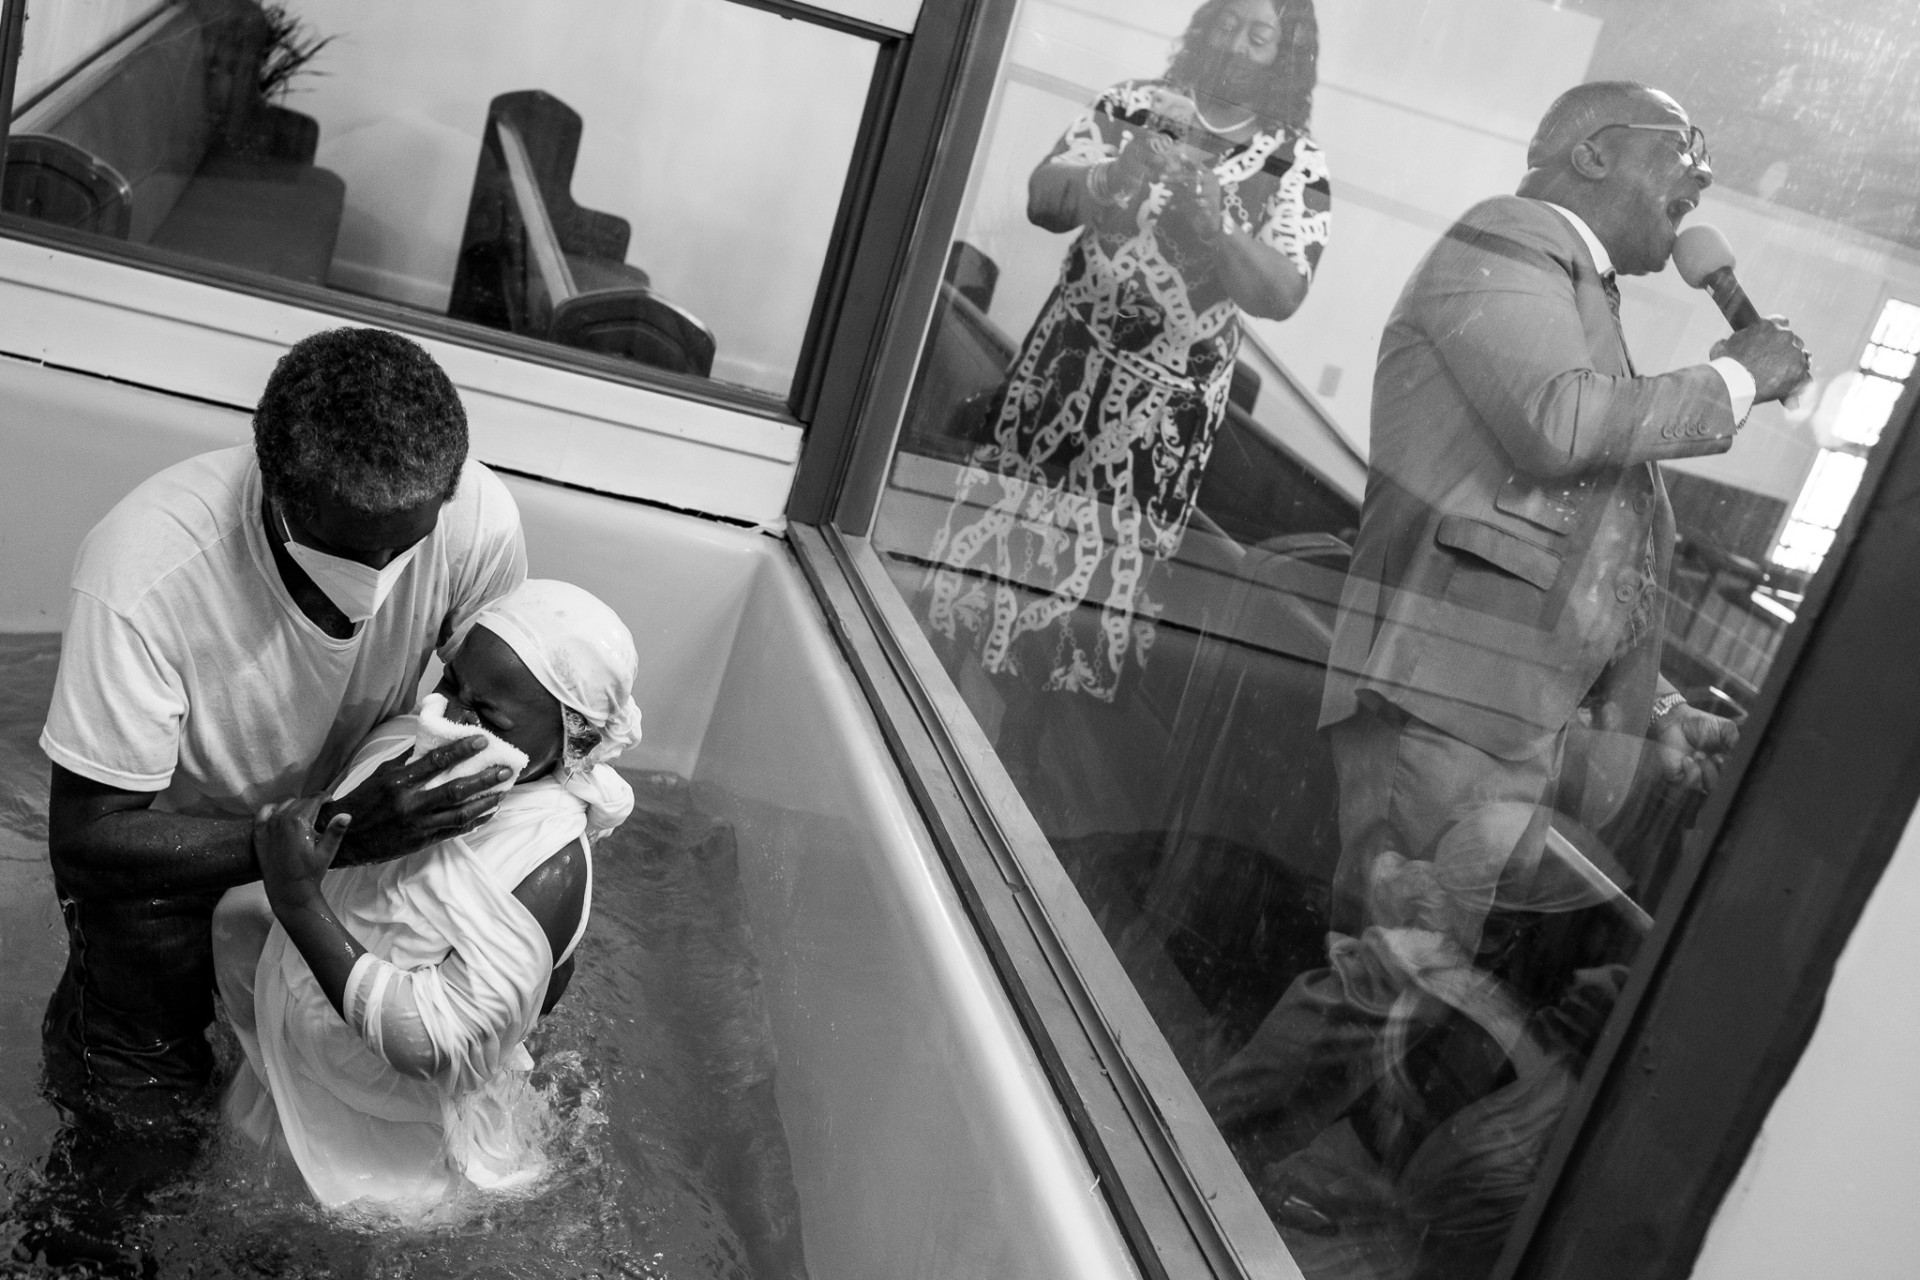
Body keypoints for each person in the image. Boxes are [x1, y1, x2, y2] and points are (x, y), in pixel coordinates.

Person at [1200, 82, 1811, 1262]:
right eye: (1684, 149)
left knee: (1405, 969)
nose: (1702, 178)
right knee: (1394, 963)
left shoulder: (1582, 291)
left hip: (1493, 701)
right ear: (1596, 152)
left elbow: (1572, 552)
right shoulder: (1510, 236)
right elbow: (1559, 424)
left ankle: (1234, 1156)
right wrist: (1736, 376)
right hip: (1443, 691)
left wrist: (1653, 710)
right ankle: (1189, 1151)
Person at [40, 327, 528, 1112]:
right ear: (275, 491)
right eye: (347, 551)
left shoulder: (473, 520)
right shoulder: (146, 573)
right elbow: (86, 844)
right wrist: (337, 835)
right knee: (138, 1125)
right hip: (167, 875)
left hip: (344, 849)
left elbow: (519, 732)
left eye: (404, 547)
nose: (379, 580)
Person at [926, 0, 1330, 705]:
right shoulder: (1135, 104)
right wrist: (1116, 175)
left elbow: (1283, 292)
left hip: (1160, 416)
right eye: (1228, 22)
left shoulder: (1298, 163)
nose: (1237, 42)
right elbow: (1043, 200)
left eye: (1259, 35)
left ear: (1285, 54)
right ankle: (937, 687)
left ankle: (1034, 731)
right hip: (1062, 366)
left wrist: (1219, 226)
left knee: (1092, 592)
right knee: (996, 543)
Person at [213, 579, 642, 1210]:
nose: (450, 718)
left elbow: (432, 1042)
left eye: (487, 716)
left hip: (390, 1168)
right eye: (452, 683)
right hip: (283, 1073)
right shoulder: (406, 748)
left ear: (572, 742)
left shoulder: (548, 869)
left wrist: (298, 903)